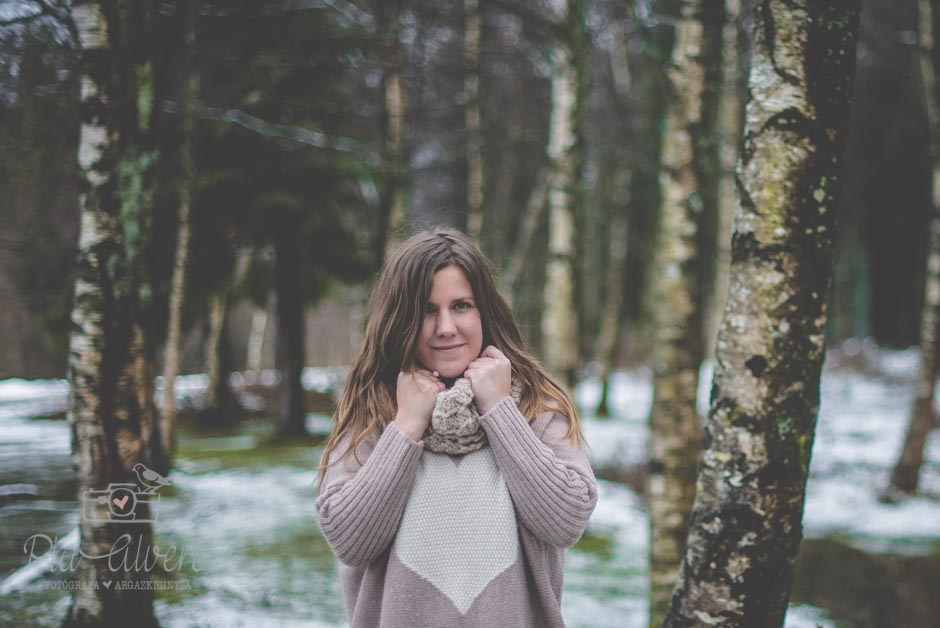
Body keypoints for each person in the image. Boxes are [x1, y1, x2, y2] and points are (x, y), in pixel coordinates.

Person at [315, 227, 598, 627]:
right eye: (427, 310)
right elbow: (349, 541)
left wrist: (499, 409)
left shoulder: (534, 405)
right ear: (400, 320)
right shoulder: (374, 409)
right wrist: (407, 425)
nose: (446, 327)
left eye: (461, 305)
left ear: (486, 311)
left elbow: (567, 521)